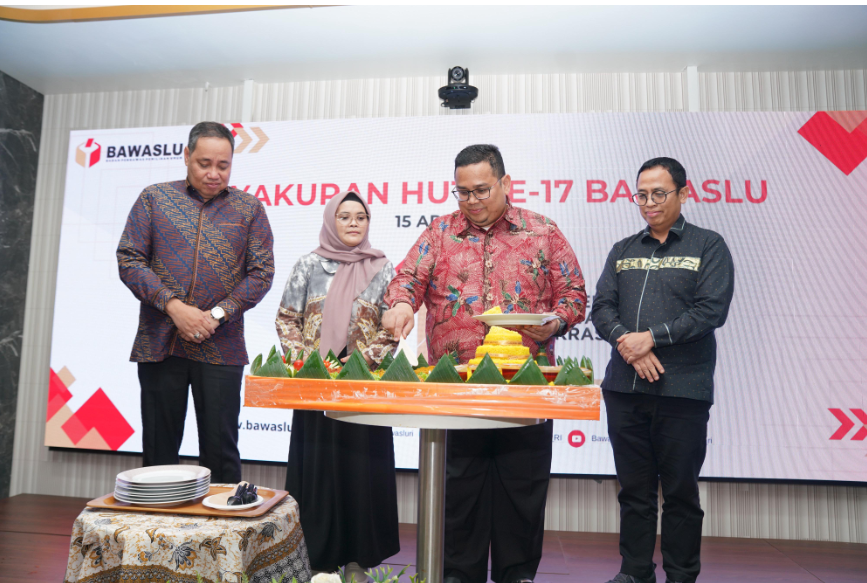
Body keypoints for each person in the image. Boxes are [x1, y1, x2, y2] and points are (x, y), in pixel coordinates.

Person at [381, 144, 587, 583]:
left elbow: (573, 294)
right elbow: (407, 278)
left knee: (522, 489)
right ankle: (459, 574)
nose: (472, 201)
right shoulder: (440, 232)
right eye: (463, 192)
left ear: (505, 183)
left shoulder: (542, 231)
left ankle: (518, 574)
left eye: (481, 190)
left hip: (525, 385)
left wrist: (555, 321)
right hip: (457, 387)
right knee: (460, 490)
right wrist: (400, 304)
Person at [590, 157, 735, 583]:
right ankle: (635, 572)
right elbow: (602, 308)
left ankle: (681, 575)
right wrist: (630, 345)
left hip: (682, 390)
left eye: (659, 193)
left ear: (683, 194)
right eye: (641, 195)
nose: (649, 203)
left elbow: (710, 310)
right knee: (634, 493)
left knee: (680, 494)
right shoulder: (623, 249)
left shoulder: (708, 246)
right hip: (624, 388)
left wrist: (651, 338)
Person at [117, 121, 275, 483]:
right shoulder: (154, 199)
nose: (214, 173)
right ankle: (159, 522)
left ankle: (221, 522)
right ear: (187, 156)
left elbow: (261, 273)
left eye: (223, 165)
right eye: (205, 163)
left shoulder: (249, 209)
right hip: (160, 343)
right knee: (158, 454)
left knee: (221, 456)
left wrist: (215, 315)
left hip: (222, 345)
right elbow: (130, 259)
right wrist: (175, 308)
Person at [276, 190, 399, 583]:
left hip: (363, 386)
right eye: (344, 216)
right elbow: (287, 318)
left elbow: (391, 327)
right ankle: (319, 559)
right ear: (331, 221)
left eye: (360, 217)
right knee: (319, 471)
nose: (353, 223)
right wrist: (310, 364)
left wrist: (364, 361)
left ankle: (358, 561)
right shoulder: (308, 265)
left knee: (361, 472)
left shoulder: (383, 268)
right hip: (316, 387)